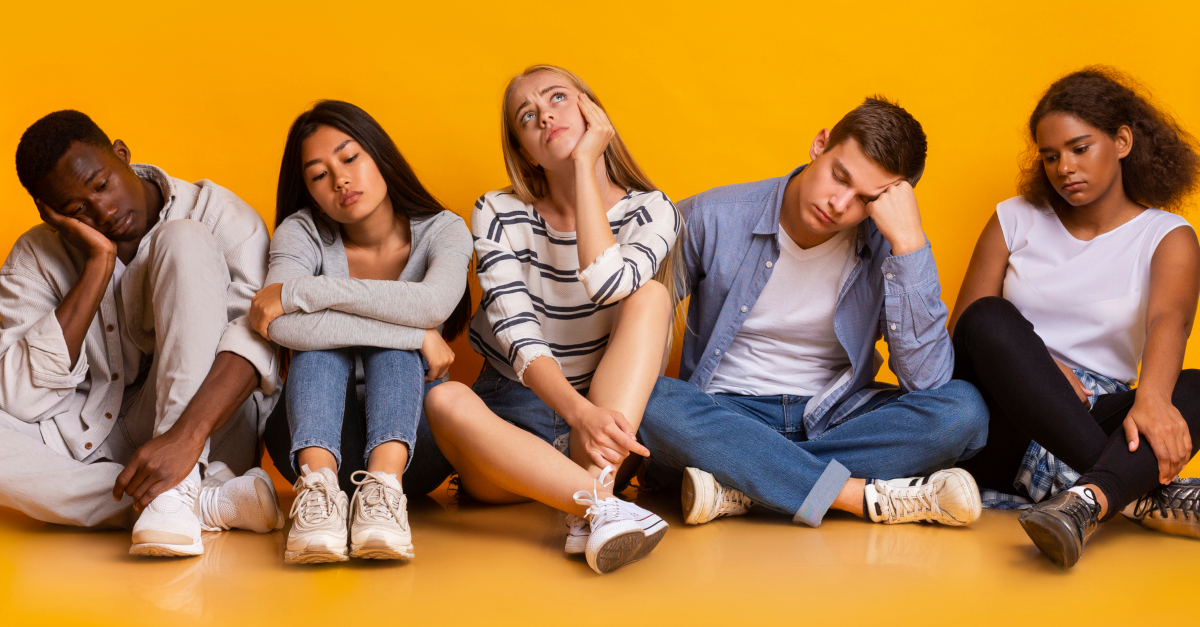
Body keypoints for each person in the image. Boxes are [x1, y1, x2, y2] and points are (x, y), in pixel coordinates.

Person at [638, 97, 990, 530]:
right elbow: (634, 330)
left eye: (866, 198)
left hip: (835, 418)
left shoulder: (892, 245)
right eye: (839, 176)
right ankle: (853, 496)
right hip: (725, 413)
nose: (840, 204)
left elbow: (928, 383)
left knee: (963, 410)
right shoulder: (710, 217)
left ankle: (743, 484)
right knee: (649, 401)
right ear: (820, 144)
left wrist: (911, 245)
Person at [423, 65, 679, 575]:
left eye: (558, 98)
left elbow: (608, 283)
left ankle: (590, 498)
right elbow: (519, 338)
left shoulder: (652, 212)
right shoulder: (497, 211)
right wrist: (577, 415)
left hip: (606, 429)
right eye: (527, 115)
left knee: (650, 296)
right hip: (513, 433)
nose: (545, 115)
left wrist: (586, 166)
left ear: (592, 109)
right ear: (524, 151)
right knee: (444, 397)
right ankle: (597, 507)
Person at [0, 111, 283, 557]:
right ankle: (203, 501)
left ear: (121, 153)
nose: (103, 212)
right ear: (52, 215)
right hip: (90, 438)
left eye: (101, 185)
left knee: (184, 239)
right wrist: (97, 267)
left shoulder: (220, 216)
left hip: (208, 429)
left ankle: (182, 483)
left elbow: (255, 343)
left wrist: (185, 439)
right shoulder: (36, 255)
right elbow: (19, 397)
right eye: (77, 211)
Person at [951, 67, 1200, 568]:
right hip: (1006, 419)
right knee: (991, 317)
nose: (1064, 167)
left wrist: (1152, 400)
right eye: (1050, 156)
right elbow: (966, 328)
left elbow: (1168, 321)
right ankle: (1133, 493)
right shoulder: (1014, 218)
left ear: (1123, 141)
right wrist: (1040, 366)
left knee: (1193, 387)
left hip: (1096, 411)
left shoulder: (1167, 235)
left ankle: (1085, 500)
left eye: (1080, 148)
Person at [249, 101, 472, 564]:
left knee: (388, 351)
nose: (340, 180)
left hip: (416, 446)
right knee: (320, 348)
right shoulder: (302, 231)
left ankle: (385, 493)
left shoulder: (444, 230)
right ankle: (318, 494)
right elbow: (283, 325)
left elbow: (430, 305)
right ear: (308, 190)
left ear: (379, 154)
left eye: (350, 159)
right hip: (310, 438)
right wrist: (416, 334)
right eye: (318, 174)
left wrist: (305, 291)